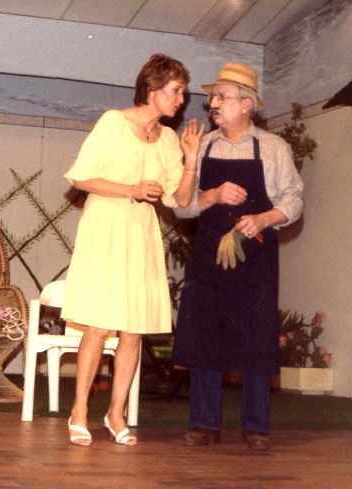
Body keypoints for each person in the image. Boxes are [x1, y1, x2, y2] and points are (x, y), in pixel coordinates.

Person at [61, 54, 204, 446]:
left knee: (133, 329)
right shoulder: (113, 122)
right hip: (106, 226)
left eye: (183, 92)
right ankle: (79, 412)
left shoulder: (169, 139)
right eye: (176, 91)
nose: (181, 100)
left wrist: (191, 160)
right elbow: (81, 178)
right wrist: (132, 190)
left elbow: (179, 200)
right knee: (98, 325)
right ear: (152, 88)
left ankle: (116, 414)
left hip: (141, 232)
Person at [172, 63, 304, 451]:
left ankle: (256, 426)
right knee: (204, 335)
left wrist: (263, 219)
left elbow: (294, 200)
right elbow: (181, 207)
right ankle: (204, 423)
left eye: (222, 97)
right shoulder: (201, 147)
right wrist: (212, 195)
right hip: (208, 256)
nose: (213, 103)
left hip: (257, 257)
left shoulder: (274, 148)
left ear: (246, 104)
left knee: (256, 337)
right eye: (212, 96)